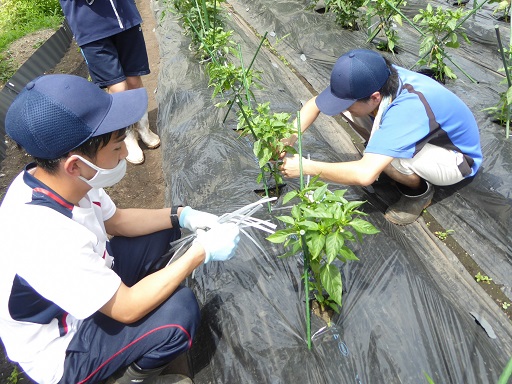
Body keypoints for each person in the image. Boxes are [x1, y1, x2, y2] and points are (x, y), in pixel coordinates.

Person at [0, 74, 240, 384]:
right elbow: (126, 309)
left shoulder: (60, 178)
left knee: (163, 232)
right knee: (179, 315)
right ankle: (127, 377)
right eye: (117, 147)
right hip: (64, 348)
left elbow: (118, 221)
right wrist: (200, 253)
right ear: (74, 164)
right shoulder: (45, 235)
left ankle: (138, 319)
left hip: (83, 290)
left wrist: (181, 215)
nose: (125, 153)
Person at [279, 49, 482, 225]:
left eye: (349, 102)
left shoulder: (408, 109)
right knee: (349, 111)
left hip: (456, 159)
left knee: (389, 159)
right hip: (425, 137)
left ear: (375, 97)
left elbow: (364, 175)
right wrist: (289, 137)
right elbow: (316, 103)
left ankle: (419, 192)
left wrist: (305, 167)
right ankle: (385, 158)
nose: (345, 108)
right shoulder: (375, 77)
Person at [59, 0, 160, 164]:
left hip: (125, 17)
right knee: (118, 87)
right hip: (90, 27)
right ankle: (126, 136)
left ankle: (142, 128)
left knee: (134, 80)